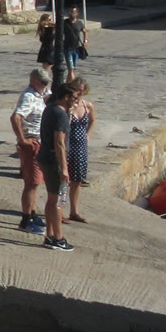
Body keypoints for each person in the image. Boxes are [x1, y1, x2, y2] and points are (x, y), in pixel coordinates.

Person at [11, 68, 48, 234]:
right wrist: (22, 139)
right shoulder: (29, 96)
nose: (45, 85)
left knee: (36, 182)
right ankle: (25, 220)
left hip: (39, 142)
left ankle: (32, 214)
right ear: (33, 81)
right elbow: (16, 117)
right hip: (31, 143)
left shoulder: (38, 95)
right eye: (43, 82)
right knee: (31, 183)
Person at [38, 82, 75, 251]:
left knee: (51, 199)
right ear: (66, 97)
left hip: (45, 157)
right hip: (54, 161)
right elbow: (59, 142)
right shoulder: (60, 114)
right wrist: (64, 168)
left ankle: (50, 234)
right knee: (58, 201)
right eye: (74, 98)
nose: (76, 101)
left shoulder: (50, 108)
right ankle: (58, 238)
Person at [65, 74, 93, 222]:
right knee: (64, 180)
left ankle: (74, 211)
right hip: (68, 145)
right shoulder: (67, 106)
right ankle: (59, 211)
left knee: (77, 180)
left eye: (81, 90)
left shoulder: (87, 106)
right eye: (77, 90)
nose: (79, 93)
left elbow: (92, 120)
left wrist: (88, 134)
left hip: (81, 146)